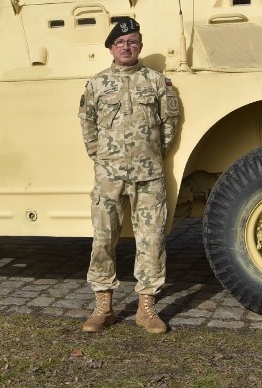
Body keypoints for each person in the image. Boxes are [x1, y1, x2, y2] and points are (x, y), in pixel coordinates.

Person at [77, 18, 180, 334]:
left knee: (151, 240)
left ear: (140, 46)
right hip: (108, 175)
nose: (126, 46)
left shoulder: (156, 82)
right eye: (120, 42)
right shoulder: (96, 84)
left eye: (133, 41)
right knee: (104, 239)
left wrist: (151, 154)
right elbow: (87, 123)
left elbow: (169, 123)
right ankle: (103, 308)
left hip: (148, 176)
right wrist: (102, 157)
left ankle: (146, 309)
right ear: (111, 47)